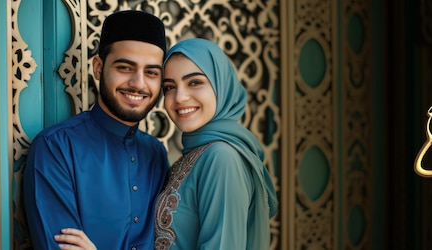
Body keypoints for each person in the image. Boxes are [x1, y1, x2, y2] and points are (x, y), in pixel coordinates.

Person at [23, 10, 170, 249]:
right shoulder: (56, 148)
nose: (139, 83)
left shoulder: (156, 154)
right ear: (99, 68)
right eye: (125, 67)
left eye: (152, 73)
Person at [153, 37, 278, 249]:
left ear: (221, 85)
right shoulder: (198, 154)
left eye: (194, 82)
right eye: (169, 87)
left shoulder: (221, 157)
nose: (180, 97)